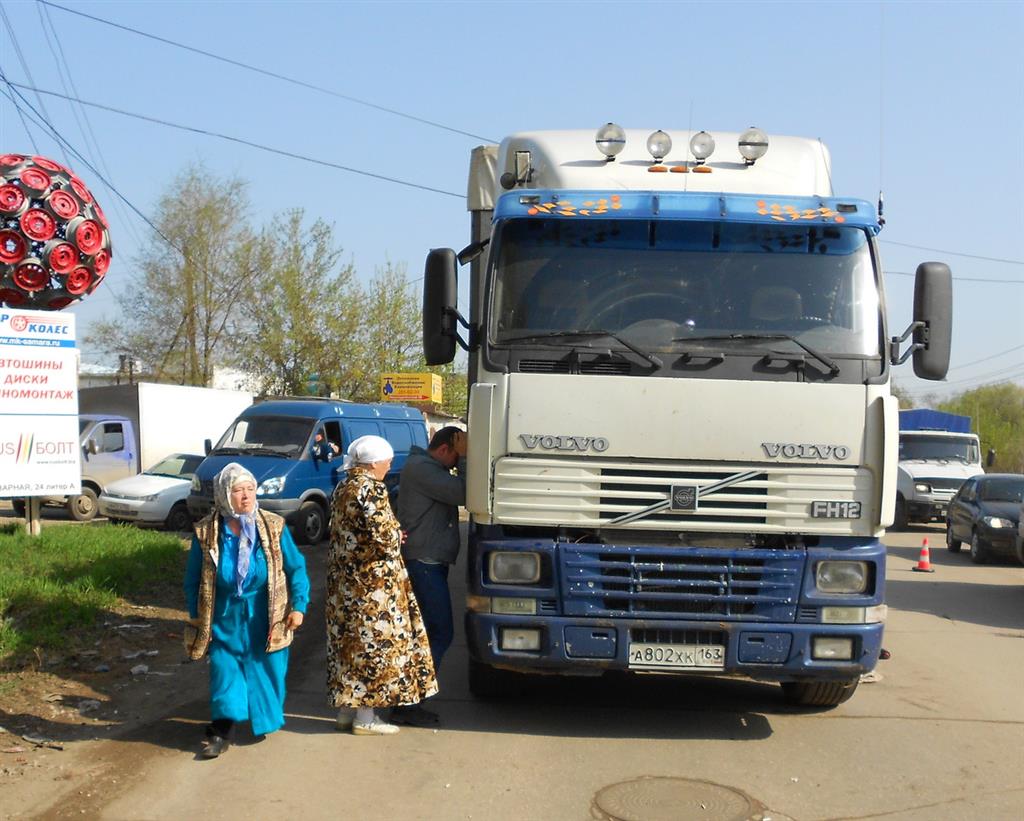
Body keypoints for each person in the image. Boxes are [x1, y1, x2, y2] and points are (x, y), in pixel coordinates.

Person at [184, 463, 310, 759]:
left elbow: (297, 568)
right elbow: (192, 578)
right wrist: (194, 611)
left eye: (250, 489)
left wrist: (299, 606)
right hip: (224, 617)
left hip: (265, 616)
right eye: (237, 490)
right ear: (224, 495)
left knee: (267, 670)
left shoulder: (274, 526)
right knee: (225, 670)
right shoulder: (206, 532)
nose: (245, 497)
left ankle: (260, 716)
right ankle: (222, 731)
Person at [325, 435, 438, 735]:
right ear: (374, 463)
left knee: (349, 644)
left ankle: (346, 712)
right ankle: (366, 718)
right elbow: (383, 538)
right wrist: (397, 534)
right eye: (387, 461)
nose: (389, 466)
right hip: (373, 586)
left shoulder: (344, 486)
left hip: (345, 583)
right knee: (373, 647)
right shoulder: (372, 489)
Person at [392, 426, 467, 727]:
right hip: (424, 561)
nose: (458, 461)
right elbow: (464, 492)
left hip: (429, 560)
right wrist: (466, 460)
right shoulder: (422, 468)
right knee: (439, 632)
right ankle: (411, 700)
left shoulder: (425, 467)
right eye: (457, 454)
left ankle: (409, 699)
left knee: (427, 633)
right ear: (447, 449)